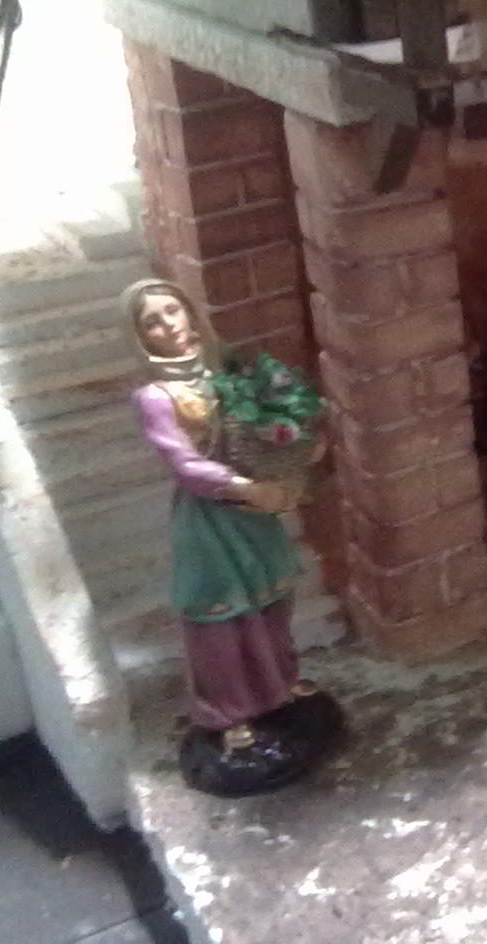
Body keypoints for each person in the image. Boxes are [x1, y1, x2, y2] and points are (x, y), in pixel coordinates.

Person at [123, 278, 339, 796]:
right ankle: (227, 711)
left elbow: (268, 421)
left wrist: (296, 445)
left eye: (172, 311)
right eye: (152, 321)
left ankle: (279, 684)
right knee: (220, 620)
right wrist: (243, 486)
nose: (167, 325)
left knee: (270, 600)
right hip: (211, 517)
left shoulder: (227, 370)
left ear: (189, 311)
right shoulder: (155, 397)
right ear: (141, 336)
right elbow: (182, 463)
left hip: (255, 513)